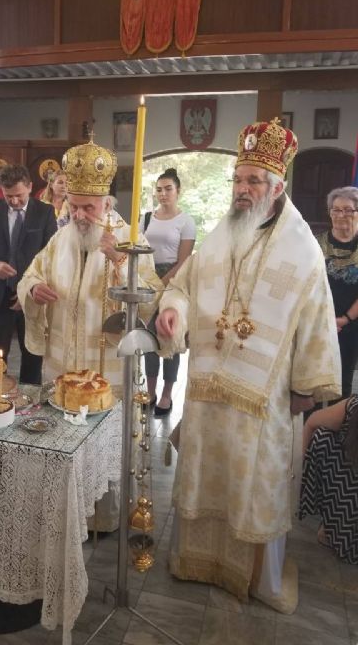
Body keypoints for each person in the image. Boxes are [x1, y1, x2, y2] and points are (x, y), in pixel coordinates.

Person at [155, 118, 341, 614]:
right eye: (238, 179)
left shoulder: (302, 249)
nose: (242, 188)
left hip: (263, 396)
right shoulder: (220, 236)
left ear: (277, 187)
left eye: (254, 181)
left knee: (255, 484)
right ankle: (197, 562)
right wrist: (173, 312)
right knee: (206, 473)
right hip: (208, 389)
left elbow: (317, 318)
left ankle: (258, 580)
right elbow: (183, 285)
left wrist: (307, 387)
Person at [18, 138, 161, 387]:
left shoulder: (131, 240)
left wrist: (120, 260)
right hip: (62, 359)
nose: (79, 215)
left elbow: (151, 296)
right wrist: (33, 289)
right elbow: (31, 274)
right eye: (73, 206)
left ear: (107, 204)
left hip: (106, 359)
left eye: (88, 208)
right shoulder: (60, 238)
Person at [0, 164, 56, 384]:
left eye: (19, 195)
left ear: (30, 187)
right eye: (8, 196)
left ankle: (30, 398)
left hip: (31, 296)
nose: (15, 201)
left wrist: (28, 289)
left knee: (32, 355)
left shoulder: (45, 212)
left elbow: (51, 255)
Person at [143, 168, 196, 416]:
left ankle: (166, 394)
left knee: (169, 335)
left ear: (178, 191)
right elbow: (140, 249)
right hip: (147, 276)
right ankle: (150, 391)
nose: (163, 194)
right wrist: (148, 280)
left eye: (168, 189)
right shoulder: (146, 218)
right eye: (159, 189)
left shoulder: (186, 221)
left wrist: (162, 283)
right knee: (149, 336)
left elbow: (184, 261)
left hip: (174, 280)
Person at [300, 395, 358, 563]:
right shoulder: (353, 407)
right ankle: (332, 524)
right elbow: (312, 422)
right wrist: (301, 469)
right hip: (350, 482)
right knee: (322, 437)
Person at [317, 186, 358, 399]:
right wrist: (323, 318)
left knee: (343, 383)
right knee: (314, 382)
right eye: (336, 209)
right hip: (317, 322)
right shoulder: (314, 244)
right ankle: (313, 420)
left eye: (348, 210)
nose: (341, 214)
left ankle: (339, 421)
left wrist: (345, 319)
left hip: (351, 324)